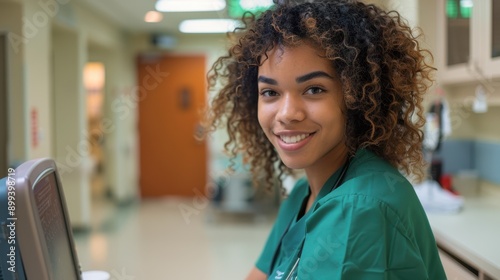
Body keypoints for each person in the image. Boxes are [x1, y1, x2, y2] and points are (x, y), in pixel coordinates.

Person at [204, 0, 447, 279]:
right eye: (270, 93)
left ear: (356, 97)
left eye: (314, 89)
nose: (287, 114)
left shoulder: (359, 208)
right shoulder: (303, 195)